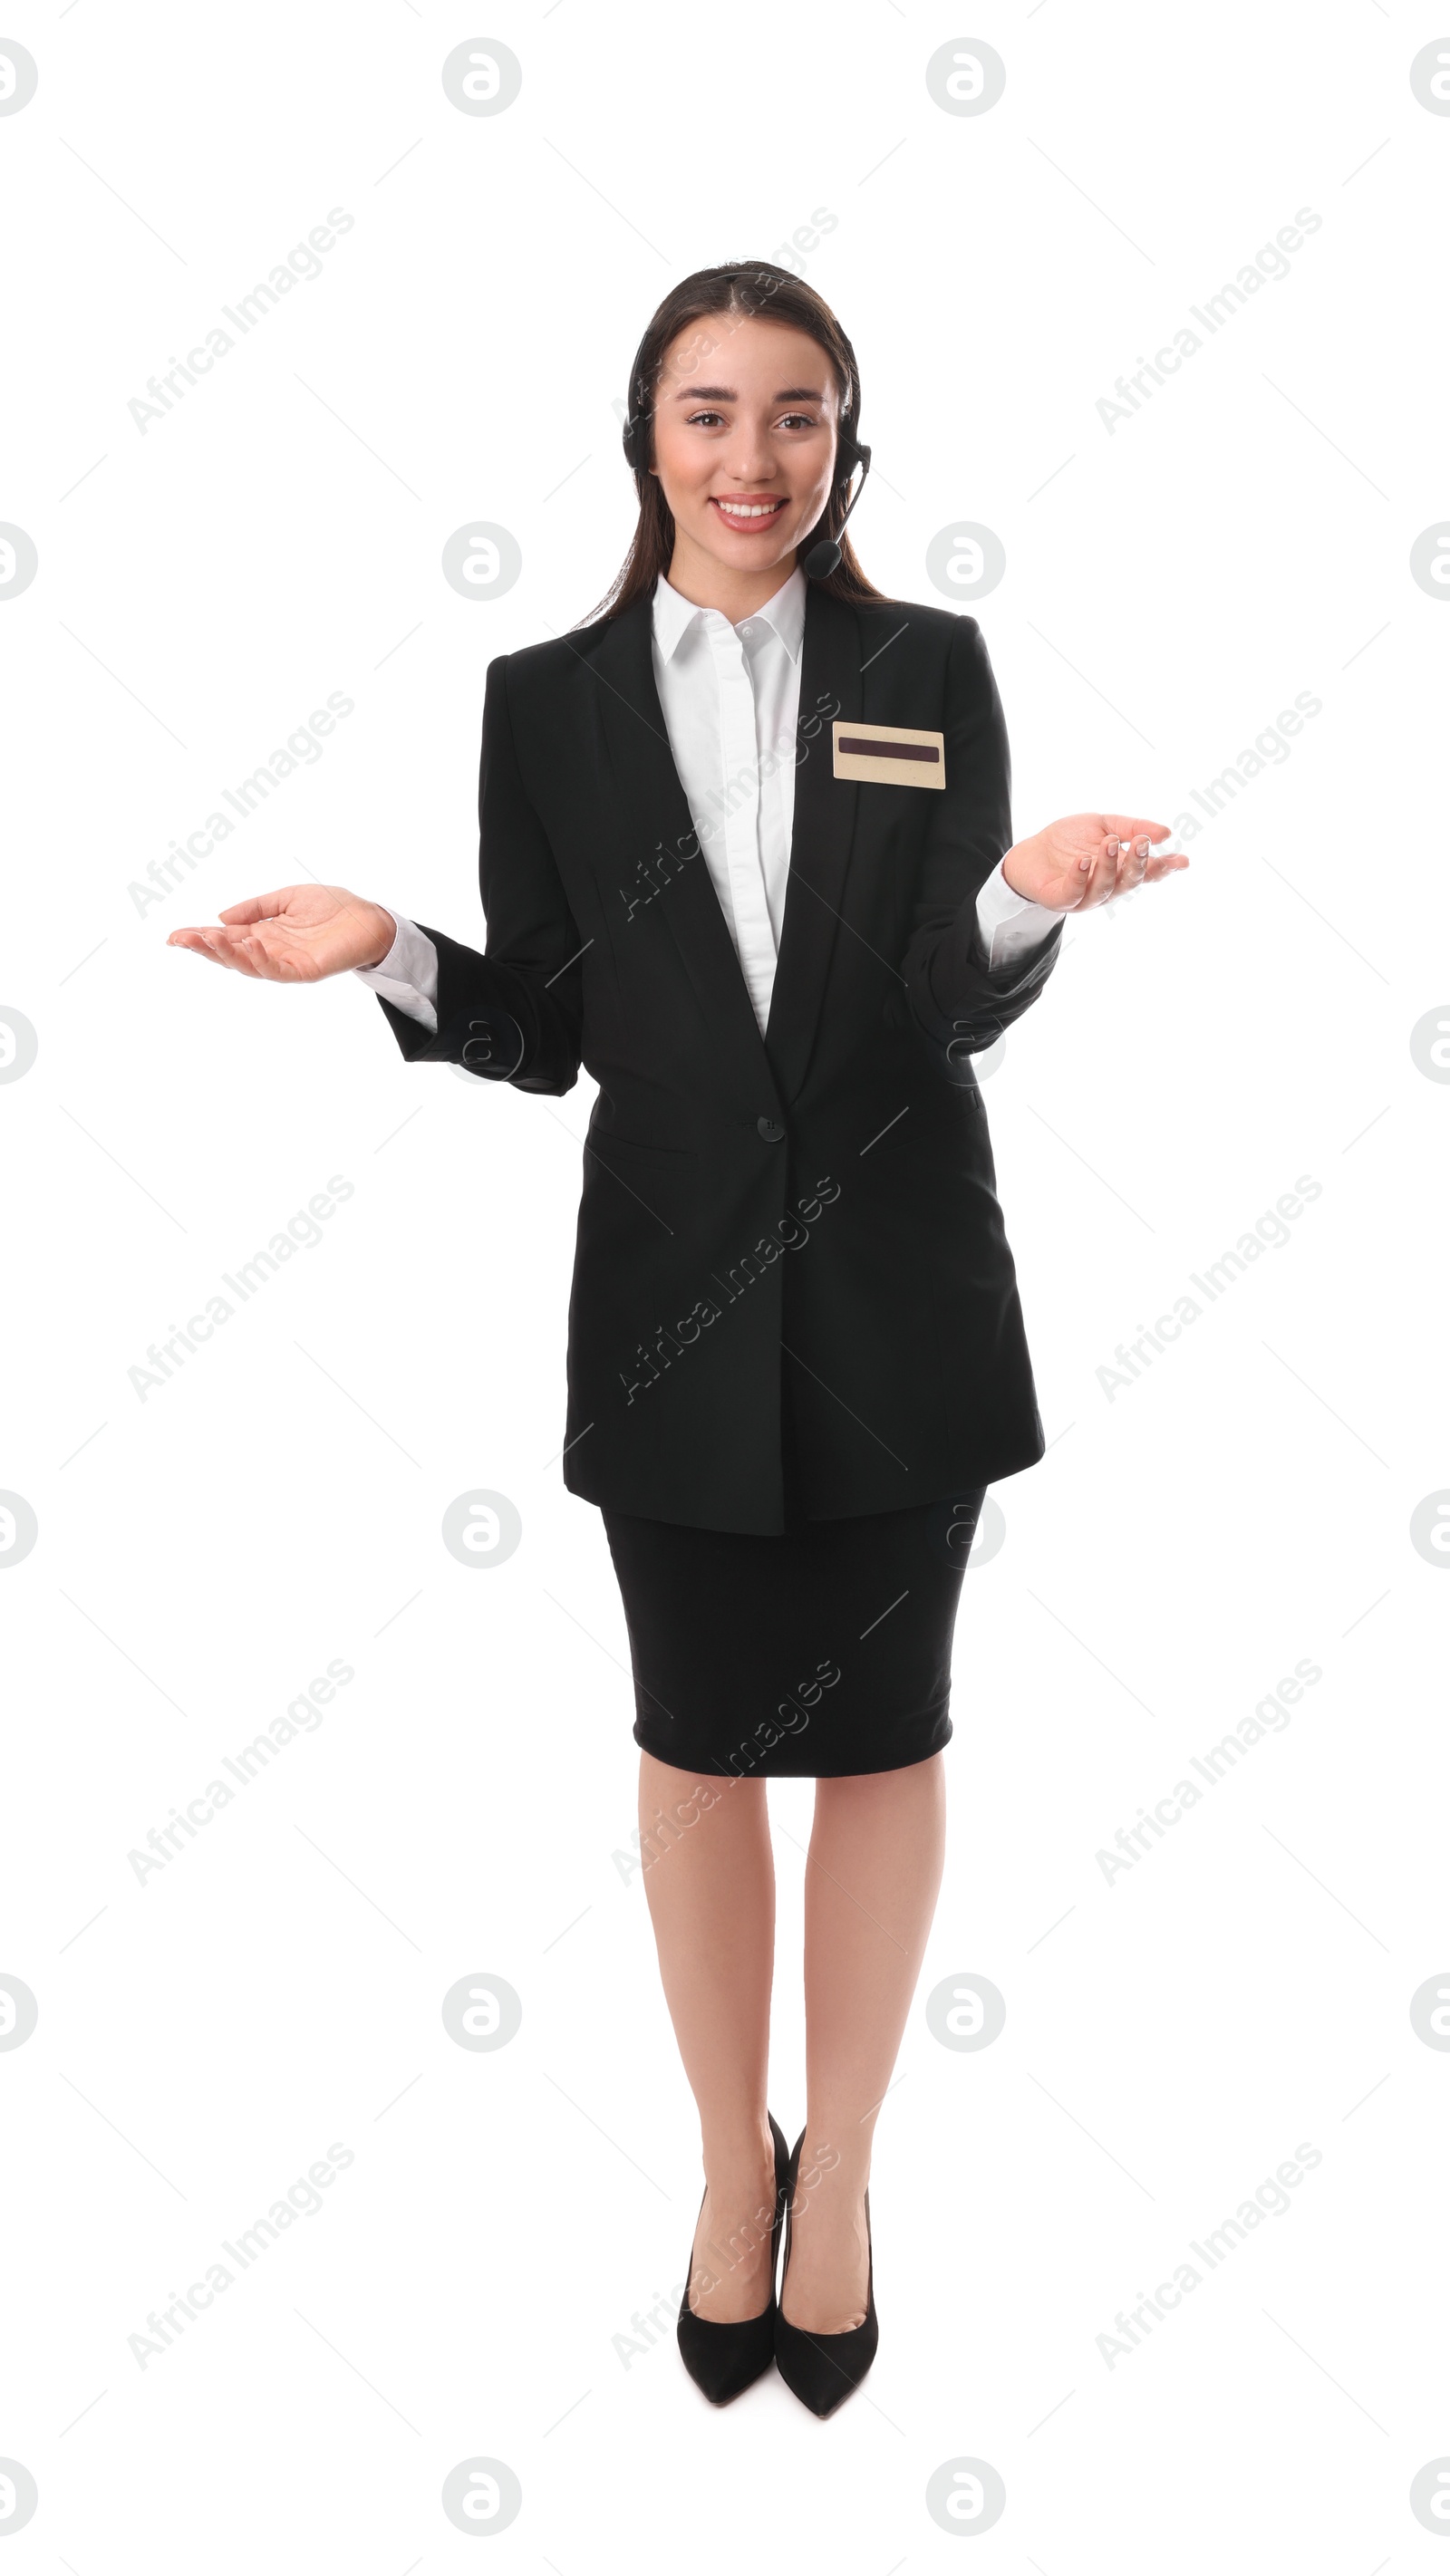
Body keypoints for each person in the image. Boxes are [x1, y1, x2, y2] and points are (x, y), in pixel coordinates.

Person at [169, 261, 1185, 2416]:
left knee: (888, 1743)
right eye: (709, 414)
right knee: (699, 1748)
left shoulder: (928, 660)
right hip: (669, 1308)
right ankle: (733, 2172)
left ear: (845, 444)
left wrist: (1022, 896)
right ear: (643, 435)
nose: (752, 459)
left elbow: (939, 994)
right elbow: (546, 1031)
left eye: (796, 416)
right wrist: (394, 952)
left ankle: (847, 2187)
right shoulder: (542, 702)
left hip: (902, 1296)